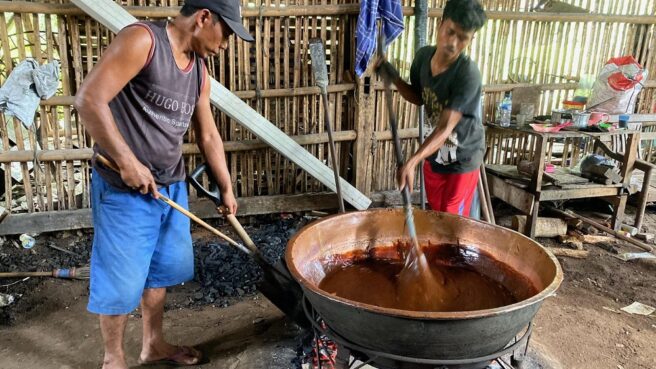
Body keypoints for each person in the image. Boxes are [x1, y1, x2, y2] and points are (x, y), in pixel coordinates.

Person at [74, 0, 253, 368]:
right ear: (204, 18)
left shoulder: (200, 72)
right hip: (125, 190)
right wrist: (127, 162)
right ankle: (113, 359)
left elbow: (208, 136)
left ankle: (152, 344)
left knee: (160, 271)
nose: (226, 44)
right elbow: (90, 99)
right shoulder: (143, 42)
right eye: (226, 34)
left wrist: (226, 186)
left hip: (170, 186)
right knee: (121, 281)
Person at [378, 0, 487, 216]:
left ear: (471, 39)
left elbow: (445, 127)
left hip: (463, 158)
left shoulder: (467, 74)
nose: (453, 43)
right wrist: (395, 79)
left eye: (463, 38)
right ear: (440, 24)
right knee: (437, 215)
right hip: (436, 154)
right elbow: (419, 98)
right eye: (451, 32)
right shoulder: (422, 58)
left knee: (451, 219)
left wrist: (412, 162)